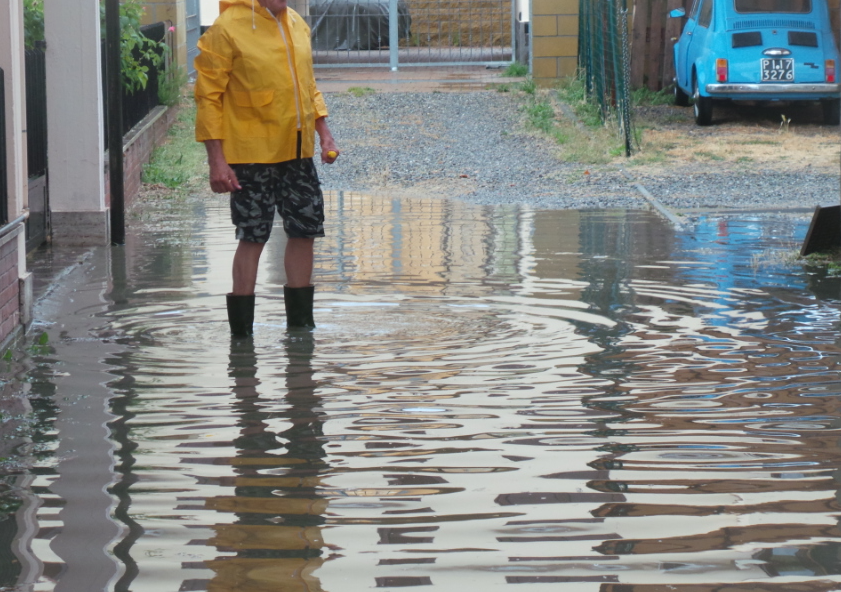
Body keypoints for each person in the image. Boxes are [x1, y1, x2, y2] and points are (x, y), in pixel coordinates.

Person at [194, 0, 339, 337]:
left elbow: (307, 86)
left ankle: (301, 328)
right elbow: (208, 97)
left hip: (296, 151)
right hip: (250, 154)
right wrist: (216, 159)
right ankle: (242, 336)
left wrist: (325, 133)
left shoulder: (296, 24)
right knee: (252, 235)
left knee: (306, 229)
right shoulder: (227, 28)